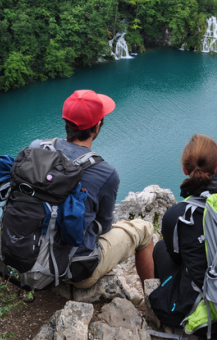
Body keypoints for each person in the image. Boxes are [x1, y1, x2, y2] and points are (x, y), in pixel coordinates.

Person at [28, 89, 154, 289]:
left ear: (66, 123)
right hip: (75, 269)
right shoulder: (105, 172)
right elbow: (103, 227)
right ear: (97, 127)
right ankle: (153, 298)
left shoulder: (37, 148)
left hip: (27, 253)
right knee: (144, 230)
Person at [151, 134, 217, 337]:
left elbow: (177, 258)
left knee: (160, 248)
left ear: (185, 170)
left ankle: (162, 296)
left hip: (208, 323)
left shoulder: (178, 216)